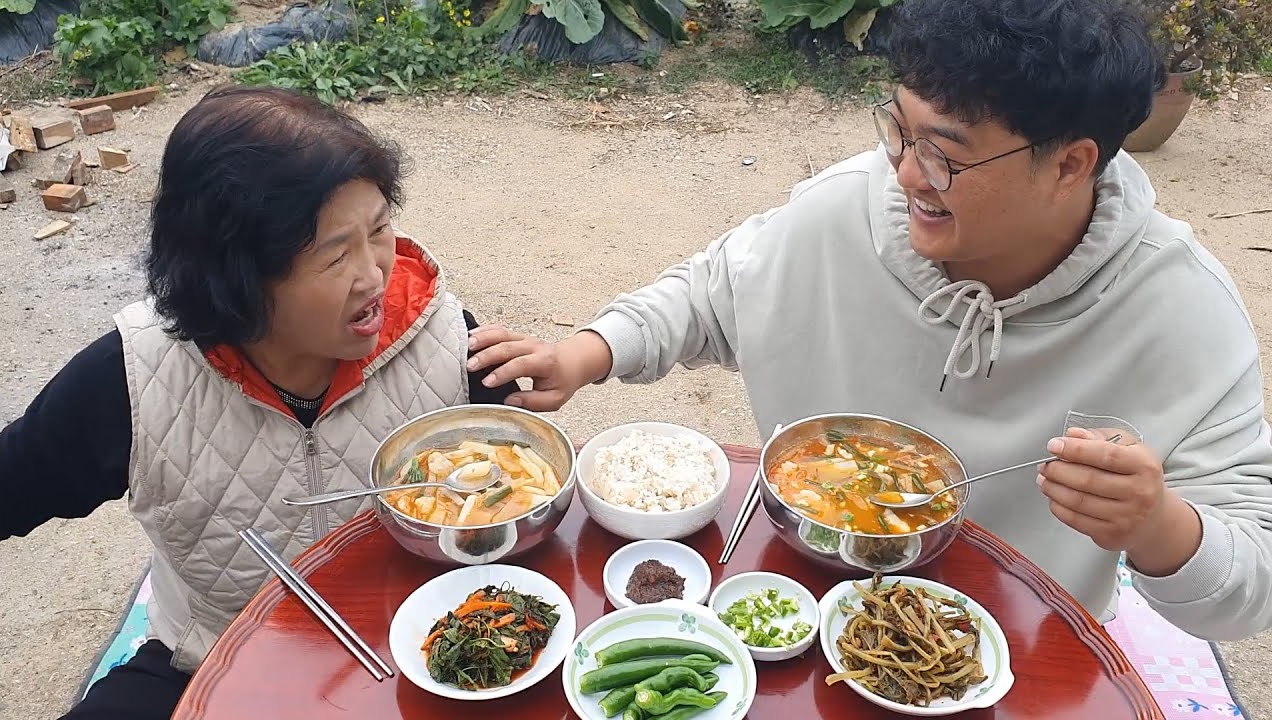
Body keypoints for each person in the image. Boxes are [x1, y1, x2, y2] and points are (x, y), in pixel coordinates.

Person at [467, 0, 1272, 642]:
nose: (904, 172)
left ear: (1070, 163)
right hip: (796, 597)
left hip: (1014, 644)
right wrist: (587, 353)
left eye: (945, 154)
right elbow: (712, 290)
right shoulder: (853, 207)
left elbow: (1250, 586)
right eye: (898, 127)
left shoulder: (1181, 311)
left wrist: (1162, 527)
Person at [0, 85, 519, 720]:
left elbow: (514, 504)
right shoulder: (134, 378)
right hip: (214, 658)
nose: (375, 275)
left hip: (425, 645)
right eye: (334, 255)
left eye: (379, 230)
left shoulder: (444, 341)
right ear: (236, 276)